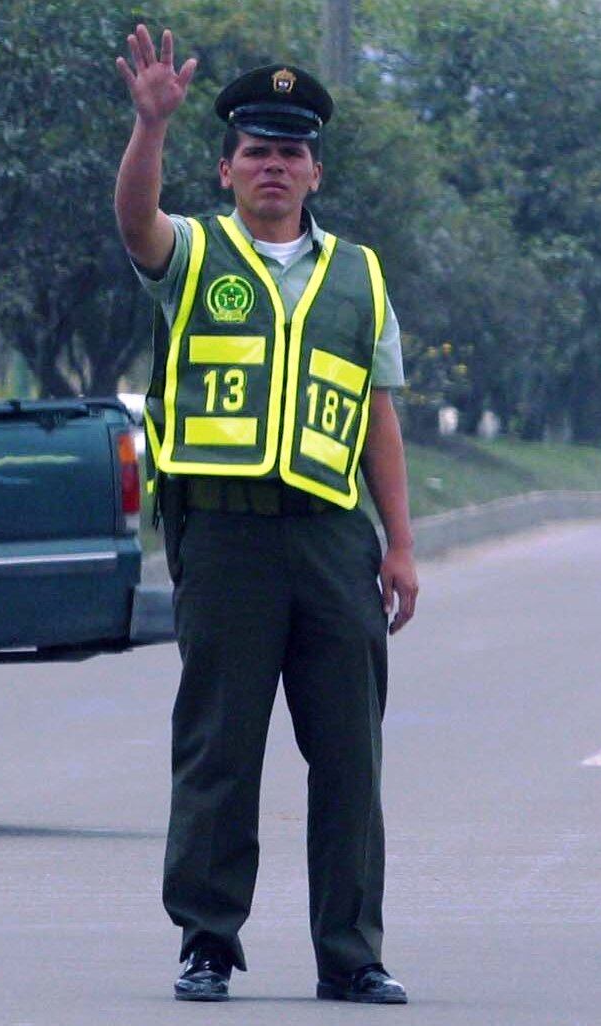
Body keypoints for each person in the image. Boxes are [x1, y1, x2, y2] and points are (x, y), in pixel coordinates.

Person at [113, 25, 418, 1006]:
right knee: (218, 748)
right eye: (257, 151)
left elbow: (377, 413)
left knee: (349, 755)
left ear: (315, 171)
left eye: (291, 152)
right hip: (227, 538)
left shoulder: (361, 278)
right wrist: (145, 128)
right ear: (228, 168)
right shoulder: (196, 253)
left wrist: (401, 545)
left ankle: (351, 953)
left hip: (332, 541)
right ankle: (208, 941)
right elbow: (134, 223)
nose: (274, 166)